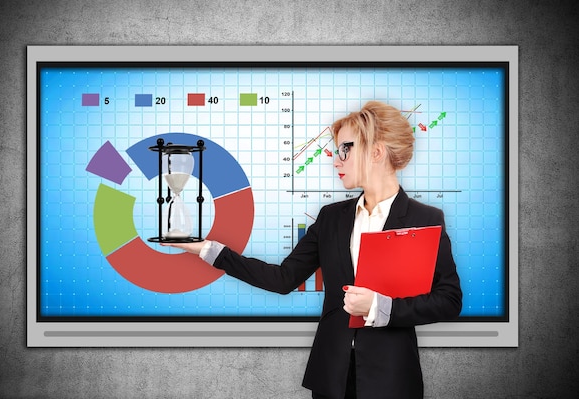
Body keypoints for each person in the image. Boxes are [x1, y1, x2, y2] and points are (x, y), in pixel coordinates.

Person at [165, 100, 462, 398]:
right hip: (331, 377)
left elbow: (449, 300)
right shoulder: (331, 217)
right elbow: (282, 278)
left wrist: (381, 308)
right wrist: (207, 250)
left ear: (376, 151)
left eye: (345, 149)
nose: (336, 160)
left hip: (392, 380)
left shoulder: (425, 220)